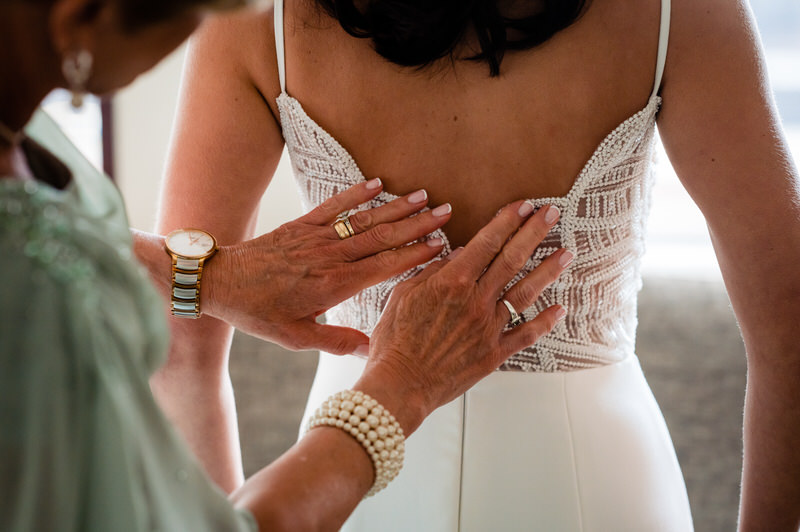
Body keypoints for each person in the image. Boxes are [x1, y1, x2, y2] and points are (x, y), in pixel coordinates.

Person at [158, 0, 800, 530]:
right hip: (594, 479)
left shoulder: (253, 19)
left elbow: (182, 343)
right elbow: (791, 325)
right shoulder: (678, 14)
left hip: (351, 481)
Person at [0, 0, 571, 530]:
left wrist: (211, 275)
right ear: (79, 18)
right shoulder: (30, 298)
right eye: (191, 15)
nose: (196, 34)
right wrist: (403, 388)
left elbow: (54, 236)